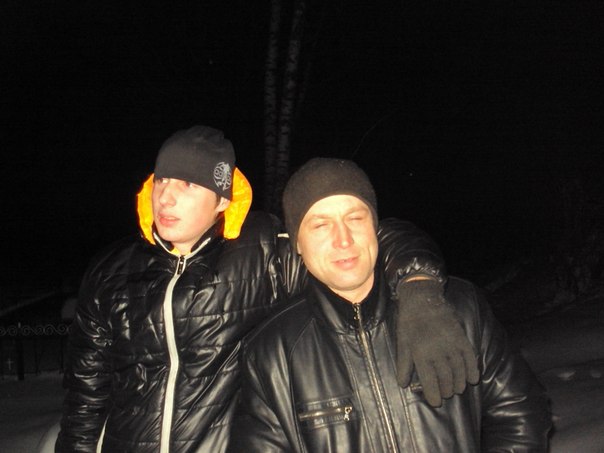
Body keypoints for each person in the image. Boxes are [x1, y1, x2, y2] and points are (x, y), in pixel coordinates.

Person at [55, 126, 477, 453]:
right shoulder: (112, 270)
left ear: (223, 199)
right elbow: (86, 391)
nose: (165, 197)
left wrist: (418, 286)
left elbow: (361, 243)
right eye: (162, 179)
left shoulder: (263, 253)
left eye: (188, 184)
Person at [227, 157, 552, 452]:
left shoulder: (461, 308)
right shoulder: (271, 353)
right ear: (297, 242)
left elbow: (520, 415)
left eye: (355, 218)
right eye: (321, 225)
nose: (343, 239)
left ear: (375, 227)